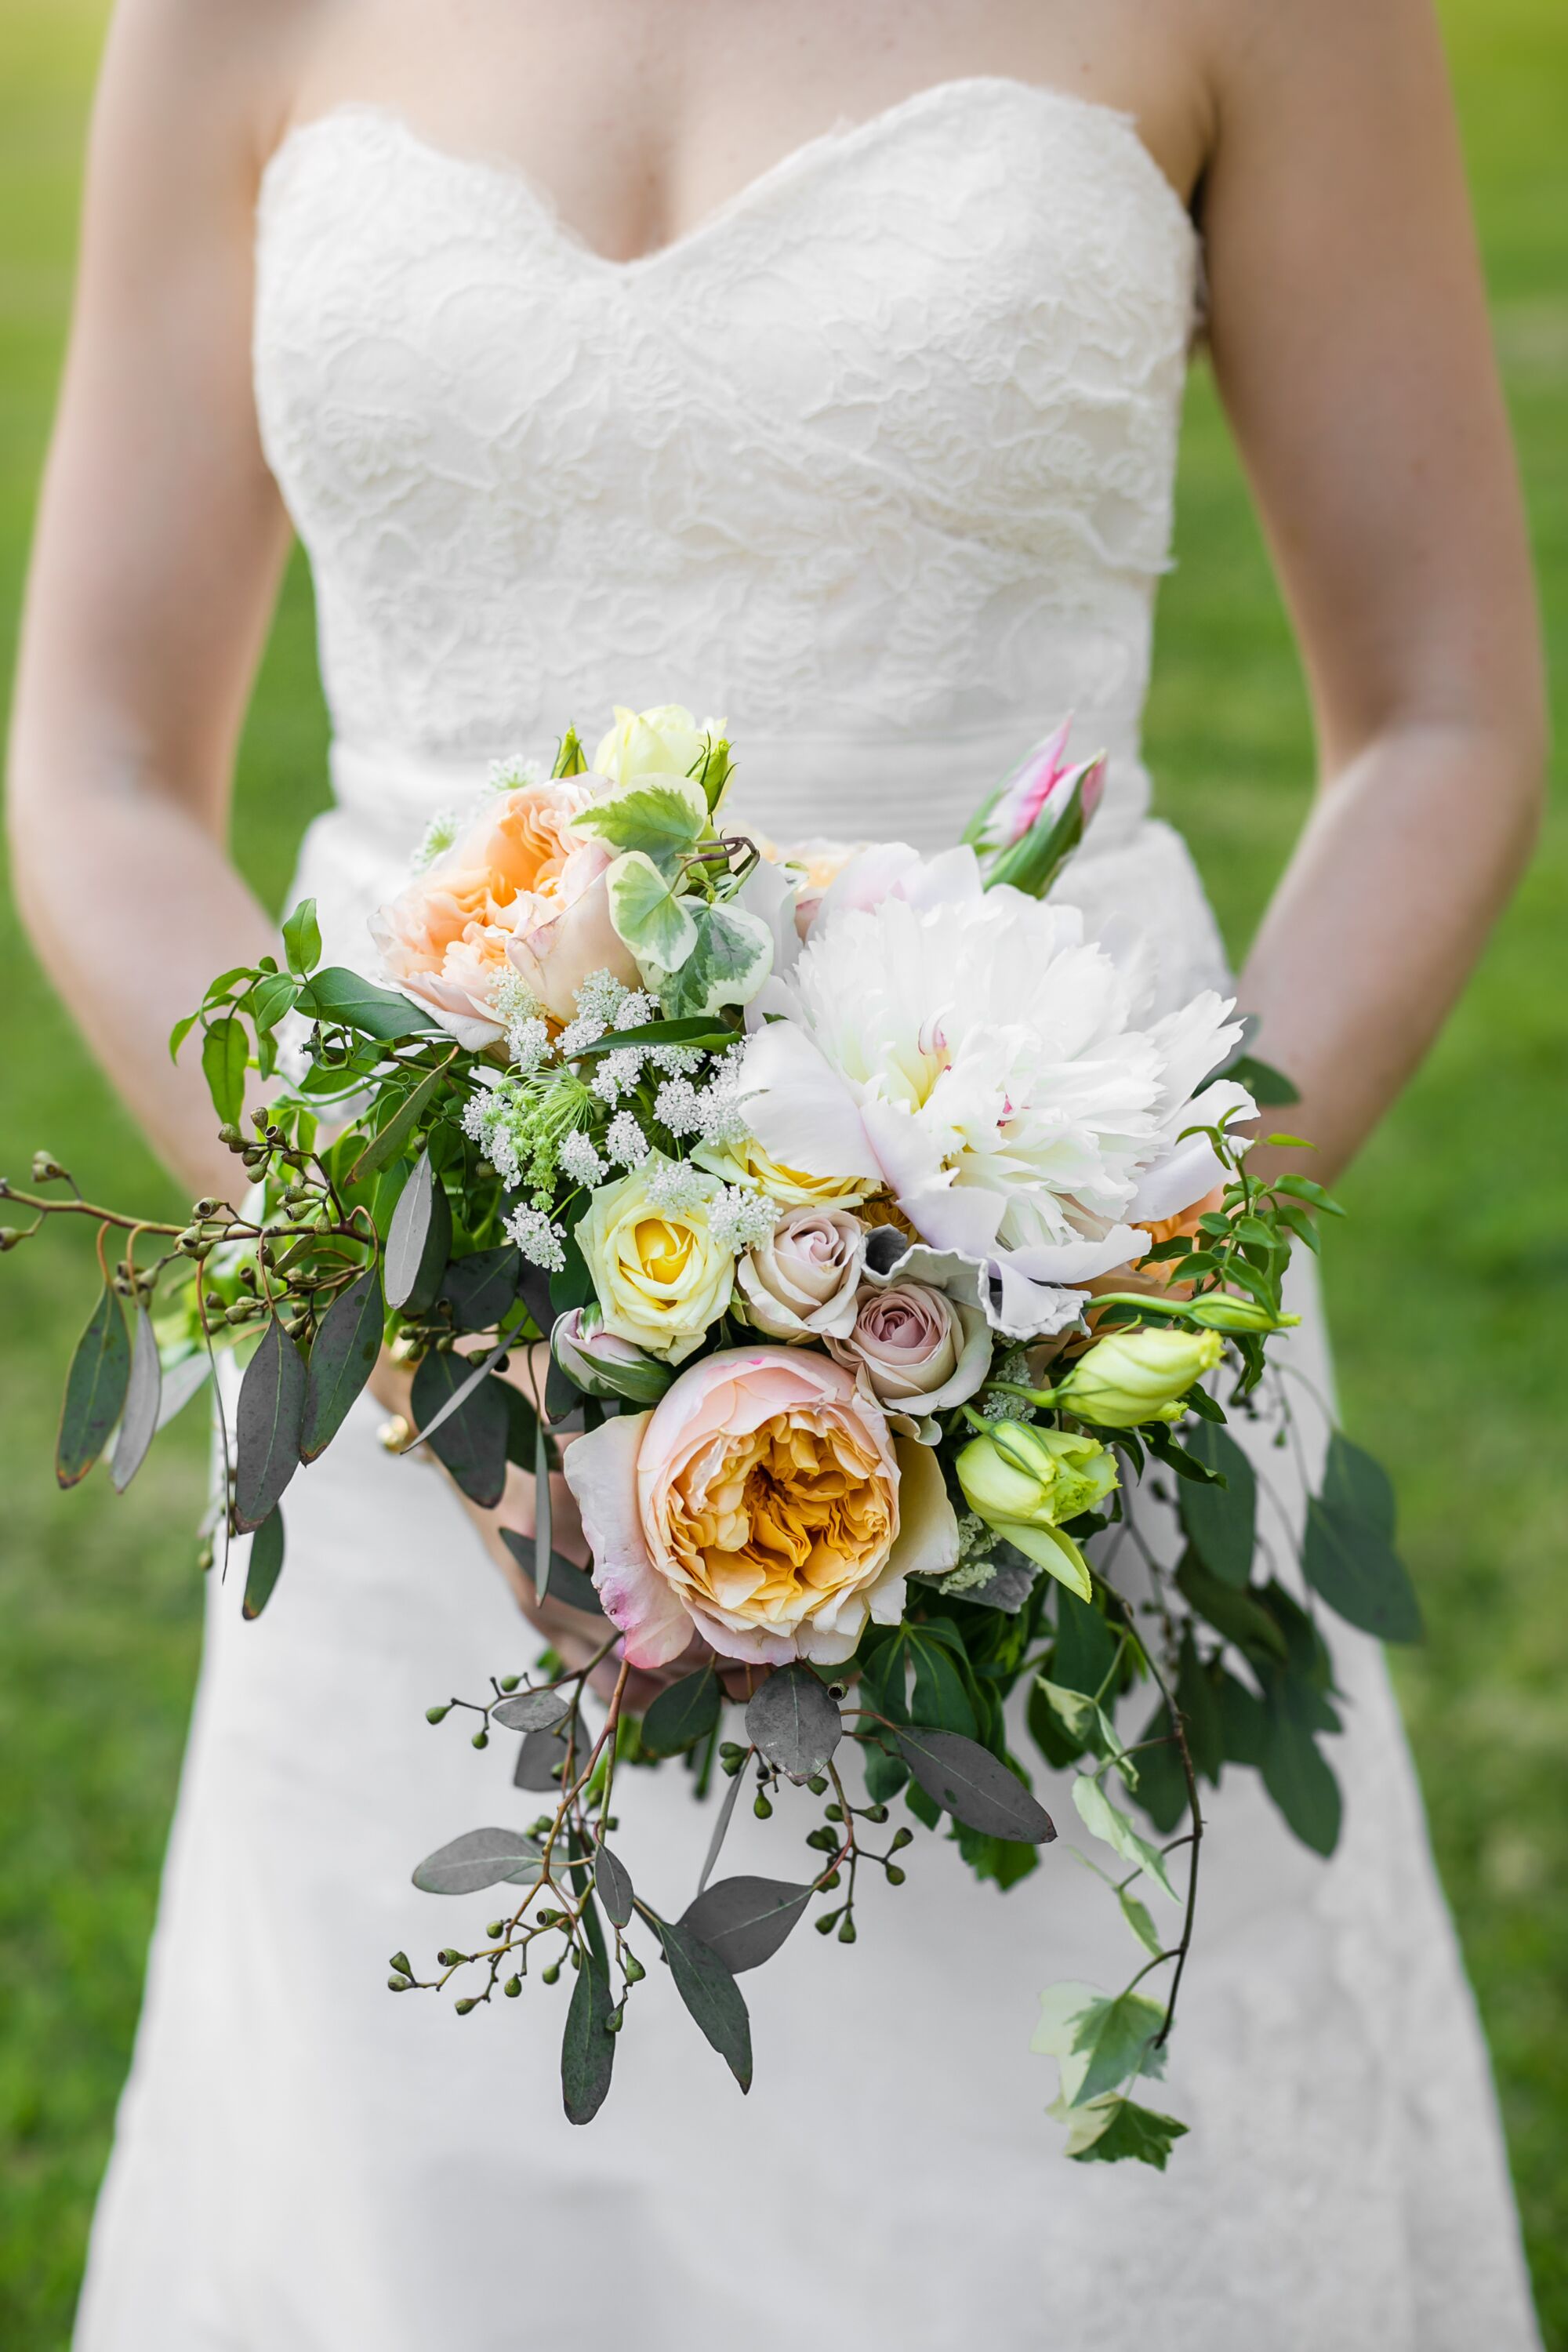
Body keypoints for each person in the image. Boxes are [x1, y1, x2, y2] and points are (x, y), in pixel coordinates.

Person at [6, 2, 1546, 2347]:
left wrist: (1090, 1304)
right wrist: (411, 1316)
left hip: (1068, 1361)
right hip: (425, 1434)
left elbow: (1444, 714)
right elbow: (101, 765)